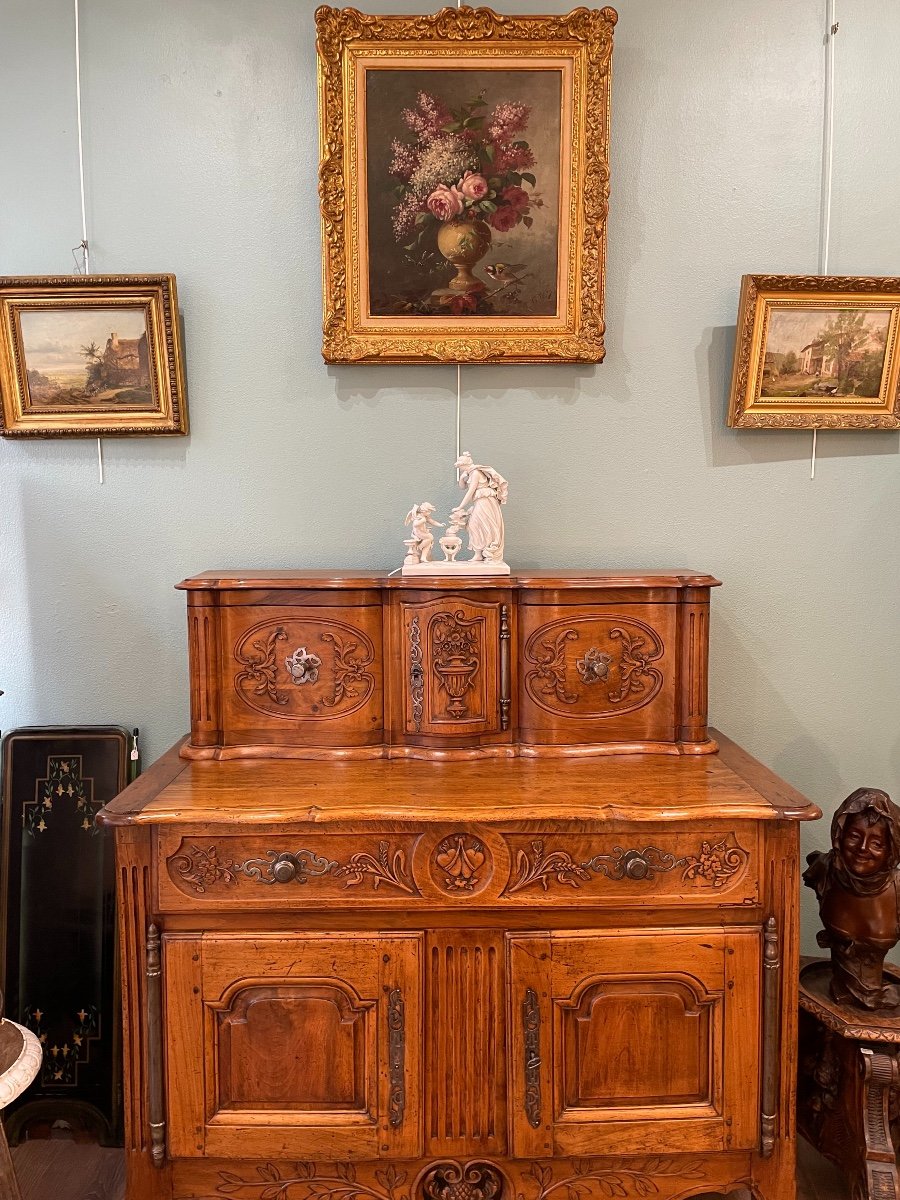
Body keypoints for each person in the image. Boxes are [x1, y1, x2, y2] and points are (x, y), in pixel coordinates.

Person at [803, 787, 900, 1009]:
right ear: (840, 836)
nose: (863, 848)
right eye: (854, 836)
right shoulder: (824, 870)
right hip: (833, 992)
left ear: (891, 851)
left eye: (876, 843)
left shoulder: (897, 889)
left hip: (882, 996)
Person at [451, 452, 508, 563]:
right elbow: (463, 487)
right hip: (480, 502)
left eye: (460, 467)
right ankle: (478, 554)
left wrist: (460, 507)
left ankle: (486, 552)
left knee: (478, 525)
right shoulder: (470, 473)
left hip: (485, 501)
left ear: (464, 465)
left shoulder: (476, 473)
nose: (460, 469)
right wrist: (462, 478)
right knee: (475, 525)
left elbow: (470, 491)